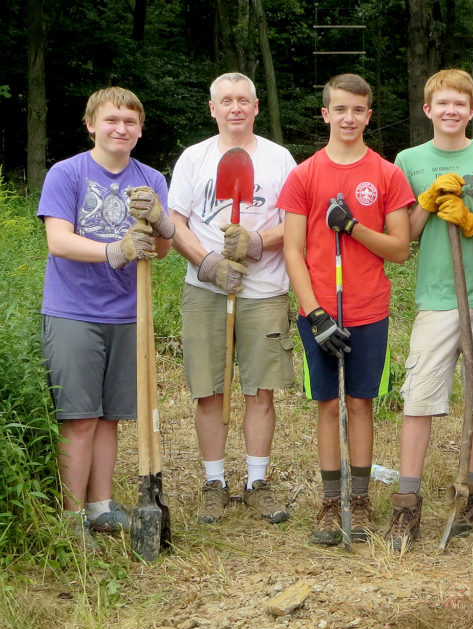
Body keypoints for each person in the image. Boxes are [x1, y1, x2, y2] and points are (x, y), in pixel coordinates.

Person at [280, 73, 412, 546]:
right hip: (319, 312)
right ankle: (330, 502)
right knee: (327, 403)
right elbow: (292, 251)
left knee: (360, 403)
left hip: (368, 309)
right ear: (326, 114)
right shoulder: (304, 174)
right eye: (340, 109)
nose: (349, 118)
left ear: (368, 115)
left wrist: (352, 226)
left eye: (358, 110)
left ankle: (360, 499)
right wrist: (314, 312)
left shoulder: (386, 173)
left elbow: (399, 249)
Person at [38, 86, 172, 545]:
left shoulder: (151, 178)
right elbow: (58, 241)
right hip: (74, 311)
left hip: (128, 314)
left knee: (111, 416)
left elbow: (164, 250)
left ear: (140, 130)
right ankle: (71, 519)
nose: (121, 129)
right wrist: (116, 249)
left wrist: (161, 221)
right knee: (79, 417)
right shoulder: (67, 173)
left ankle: (100, 507)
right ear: (91, 124)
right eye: (112, 120)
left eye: (130, 122)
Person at [168, 72, 296, 526]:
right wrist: (208, 263)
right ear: (213, 108)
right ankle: (214, 482)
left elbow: (295, 221)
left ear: (256, 107)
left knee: (260, 389)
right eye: (227, 101)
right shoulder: (194, 158)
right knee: (209, 389)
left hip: (263, 291)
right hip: (206, 291)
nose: (236, 108)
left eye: (244, 100)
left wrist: (257, 243)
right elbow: (176, 220)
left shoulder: (279, 159)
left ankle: (257, 482)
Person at [386, 69, 473, 550]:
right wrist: (427, 201)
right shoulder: (409, 160)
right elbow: (406, 234)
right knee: (419, 398)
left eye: (461, 103)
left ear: (472, 111)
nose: (452, 110)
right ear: (428, 109)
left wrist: (472, 222)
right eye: (443, 103)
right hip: (437, 297)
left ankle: (471, 490)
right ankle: (407, 505)